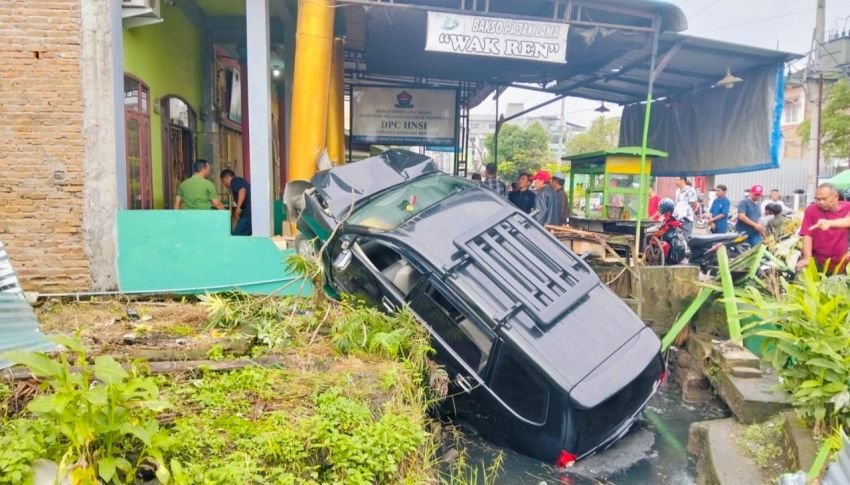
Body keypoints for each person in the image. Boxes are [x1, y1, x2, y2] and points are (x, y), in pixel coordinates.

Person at [798, 183, 850, 273]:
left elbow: (847, 221)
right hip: (817, 260)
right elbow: (807, 235)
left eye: (824, 199)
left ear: (836, 196)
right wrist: (807, 258)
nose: (821, 202)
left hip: (841, 261)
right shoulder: (811, 210)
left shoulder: (847, 207)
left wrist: (829, 223)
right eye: (818, 199)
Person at [220, 169, 252, 236]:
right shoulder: (239, 181)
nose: (224, 184)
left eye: (223, 181)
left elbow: (242, 190)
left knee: (237, 235)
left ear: (227, 178)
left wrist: (238, 209)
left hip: (249, 211)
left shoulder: (234, 181)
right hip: (249, 211)